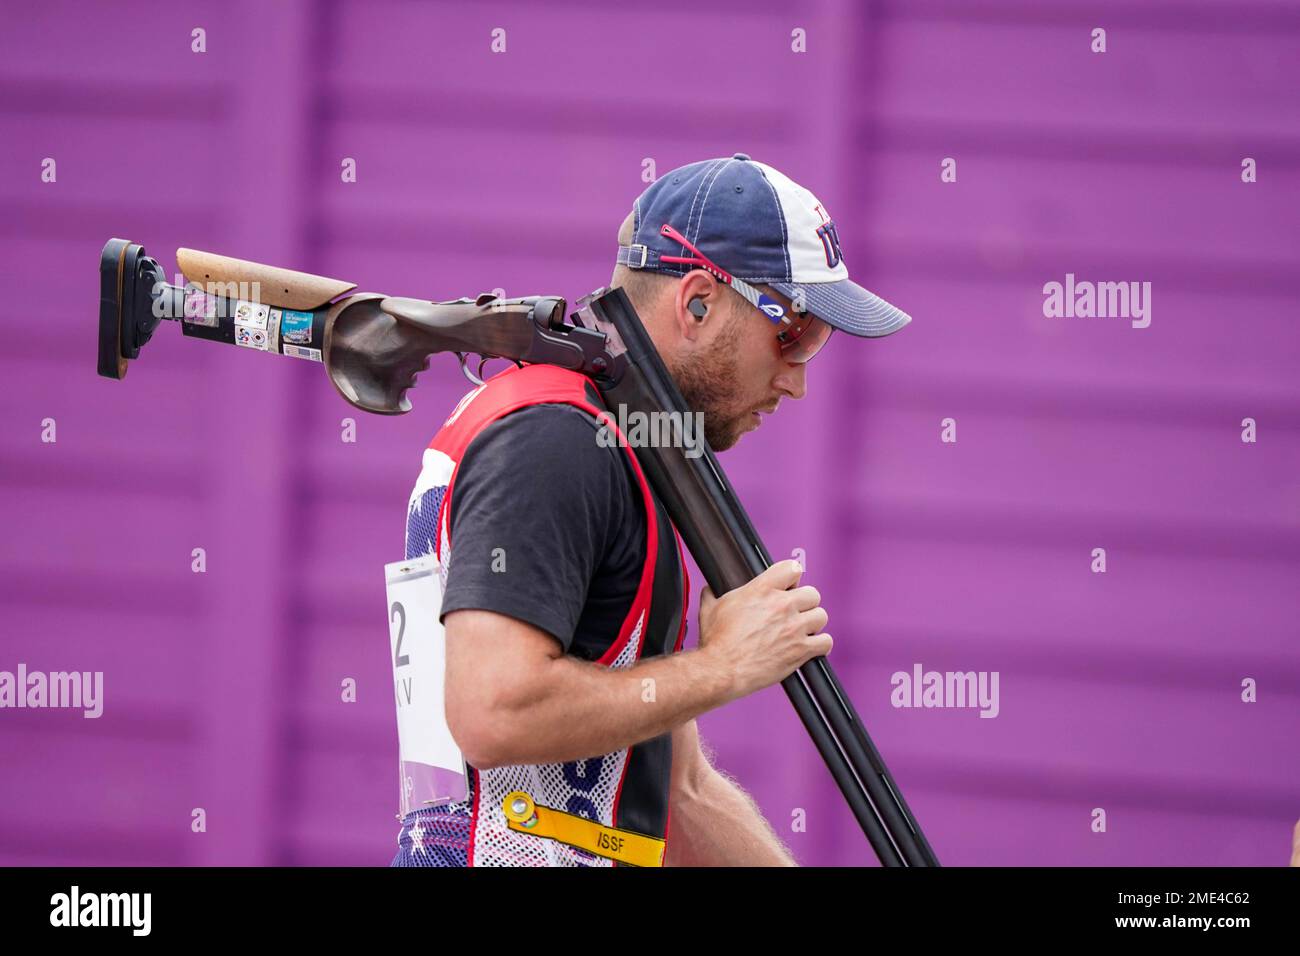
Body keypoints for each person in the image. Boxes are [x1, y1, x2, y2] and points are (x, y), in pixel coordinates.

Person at [391, 154, 911, 867]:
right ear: (698, 302)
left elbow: (683, 794)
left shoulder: (626, 447)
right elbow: (493, 711)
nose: (796, 380)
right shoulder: (558, 440)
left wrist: (712, 670)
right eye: (794, 333)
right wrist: (724, 666)